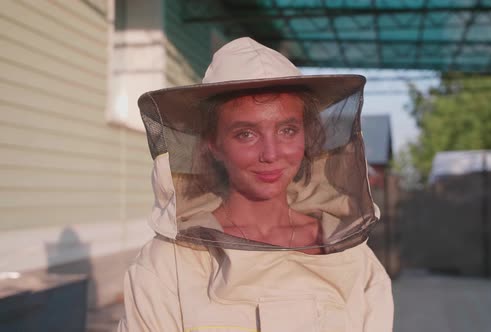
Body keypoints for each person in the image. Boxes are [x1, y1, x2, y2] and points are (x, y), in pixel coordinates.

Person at [118, 37, 393, 332]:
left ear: (306, 136)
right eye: (246, 134)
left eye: (287, 130)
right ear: (214, 144)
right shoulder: (166, 265)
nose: (271, 154)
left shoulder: (354, 256)